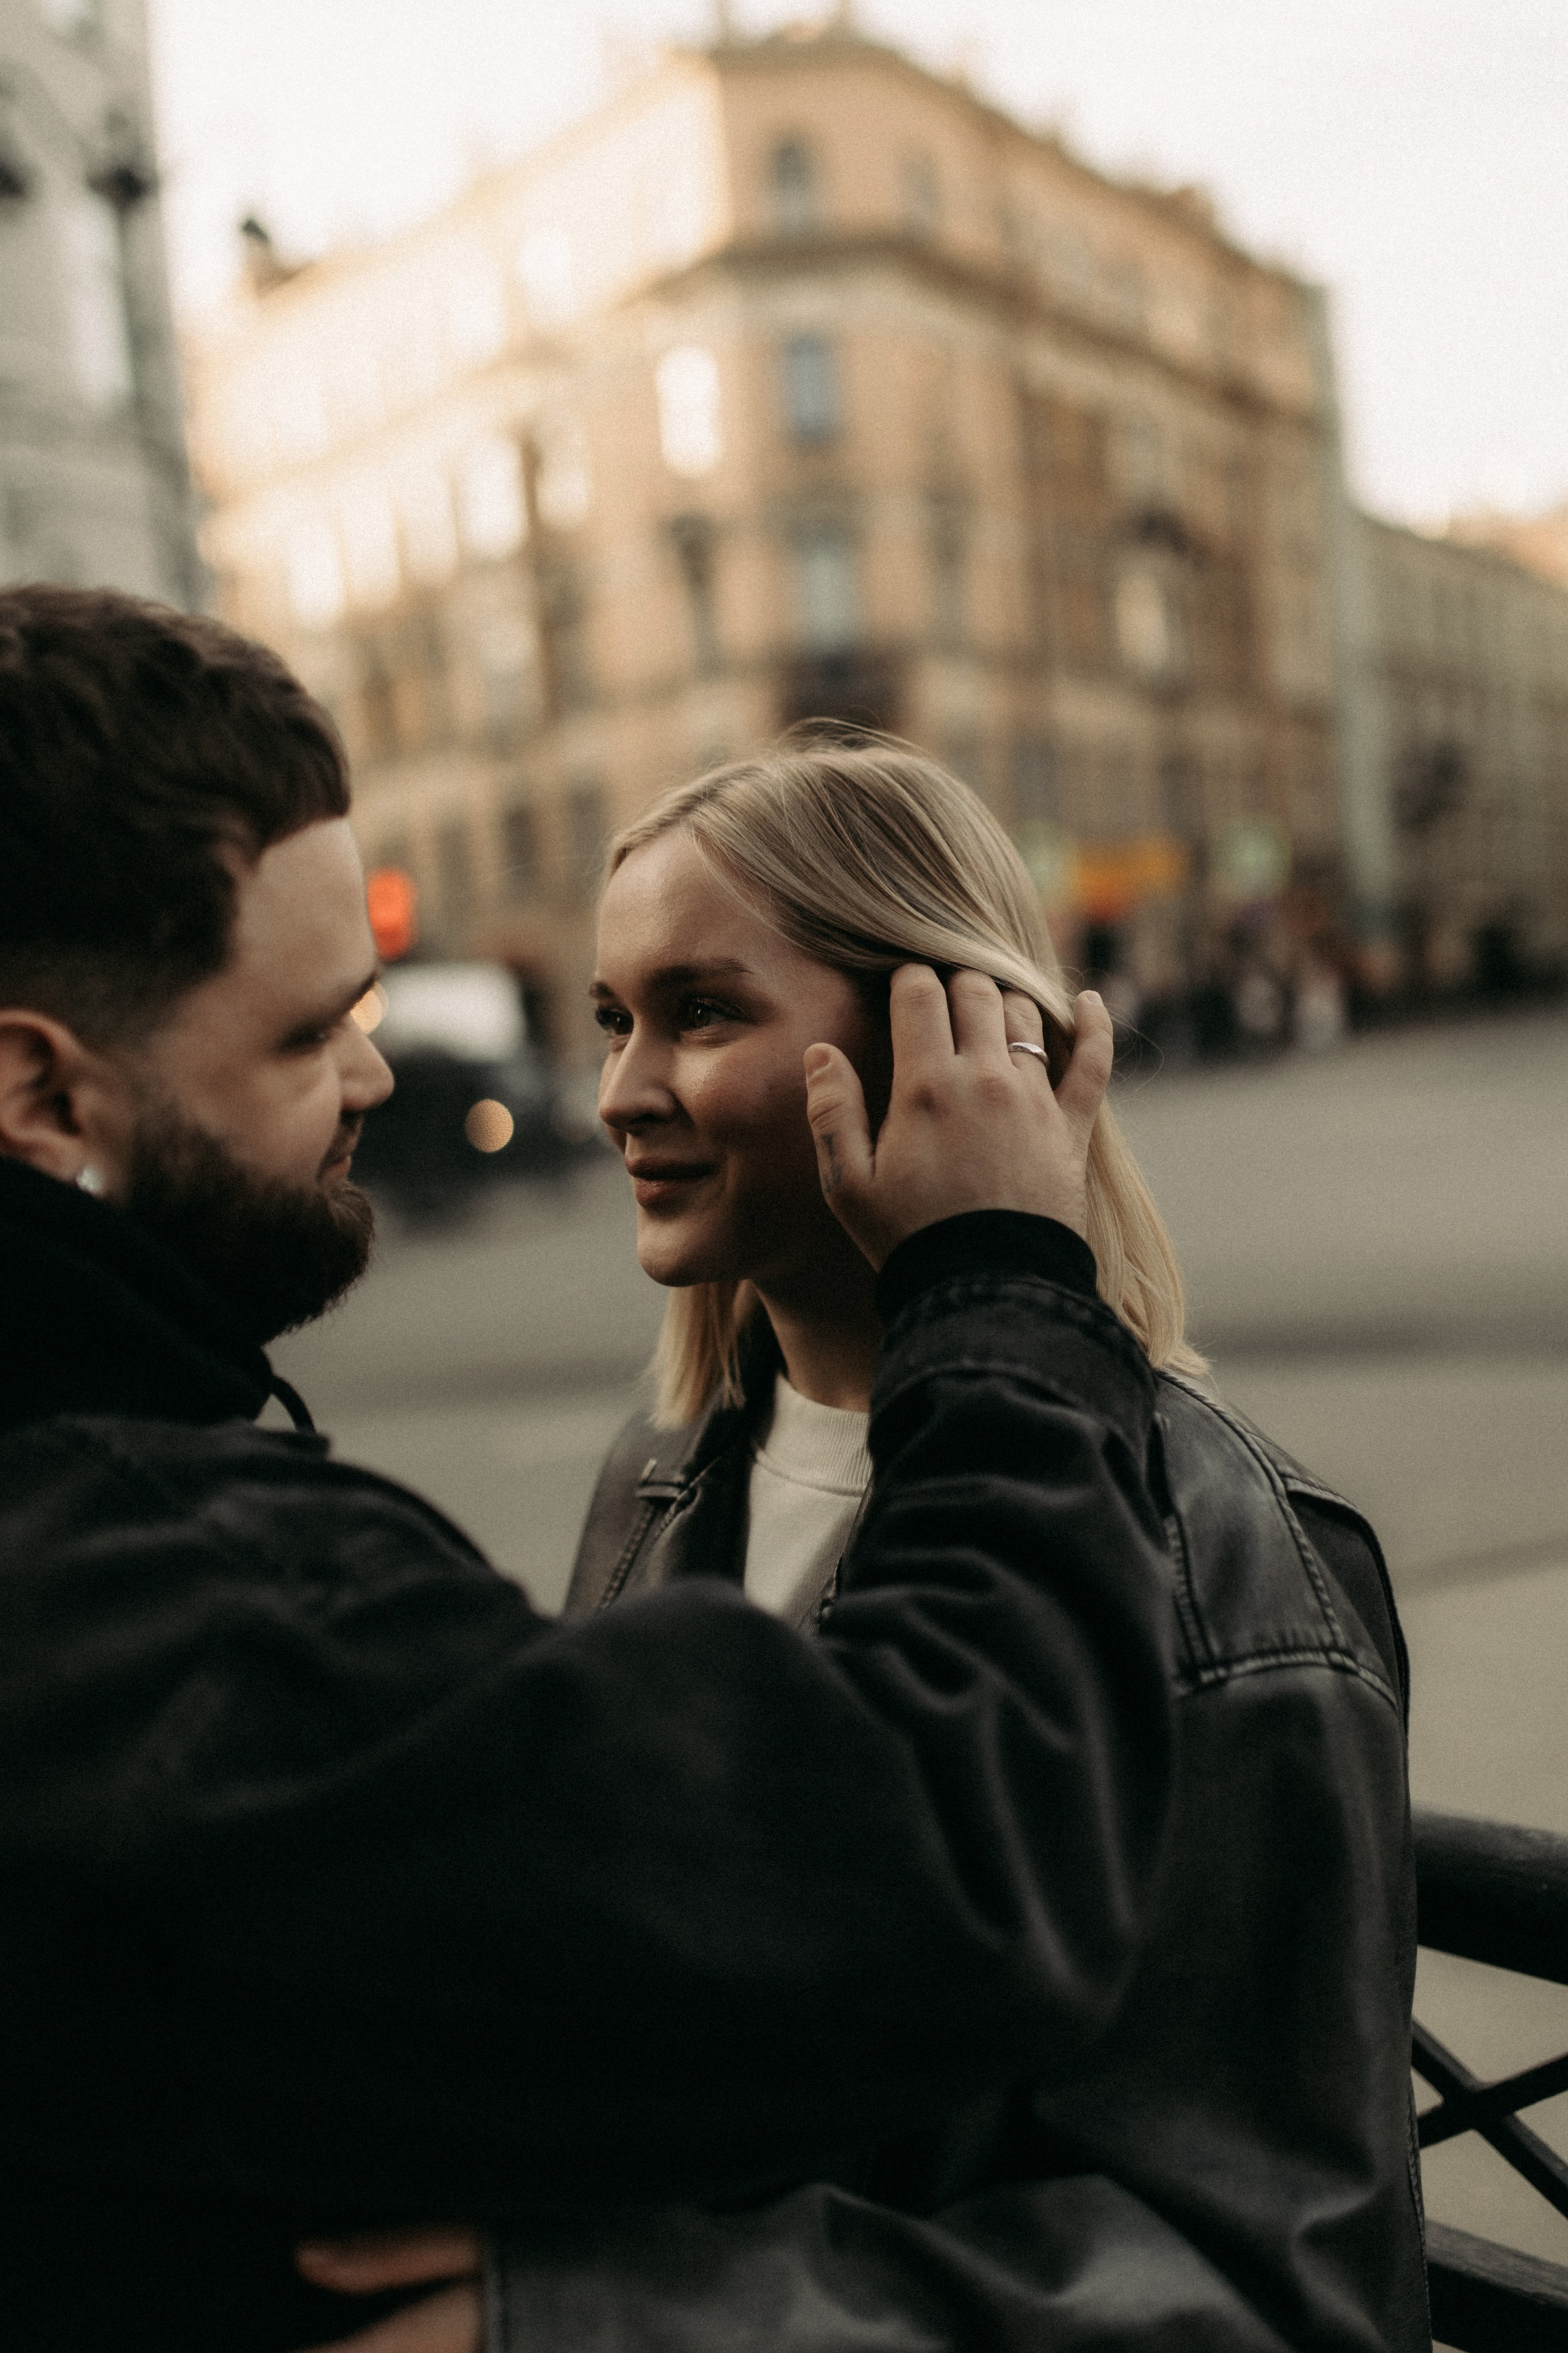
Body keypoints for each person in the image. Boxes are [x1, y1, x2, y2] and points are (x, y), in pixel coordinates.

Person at [0, 589, 1180, 2352]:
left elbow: (1257, 2240)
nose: (376, 1072)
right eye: (304, 1034)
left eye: (696, 1009)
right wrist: (1002, 1287)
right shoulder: (198, 1602)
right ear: (42, 1093)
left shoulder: (1221, 1531)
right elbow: (948, 1863)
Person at [325, 739, 1426, 2351]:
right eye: (616, 1016)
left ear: (953, 1041)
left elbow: (1280, 2290)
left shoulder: (1228, 1554)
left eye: (702, 1011)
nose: (622, 1088)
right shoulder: (663, 1472)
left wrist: (606, 2310)